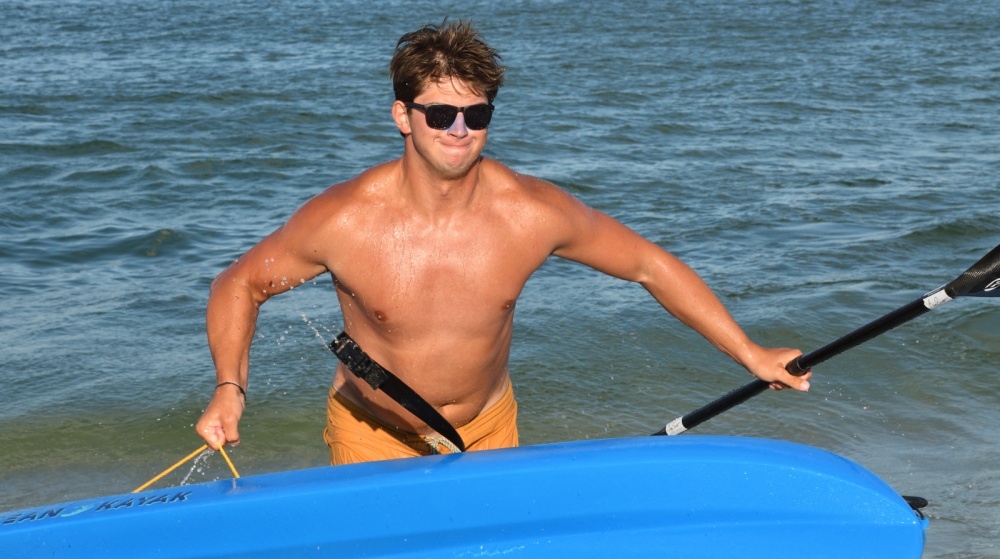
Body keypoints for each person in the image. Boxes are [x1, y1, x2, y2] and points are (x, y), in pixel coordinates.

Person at [195, 19, 810, 464]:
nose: (459, 130)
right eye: (440, 114)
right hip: (371, 434)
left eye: (477, 115)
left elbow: (649, 264)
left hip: (488, 433)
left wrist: (750, 353)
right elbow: (239, 285)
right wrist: (229, 390)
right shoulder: (345, 220)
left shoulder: (529, 214)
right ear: (403, 116)